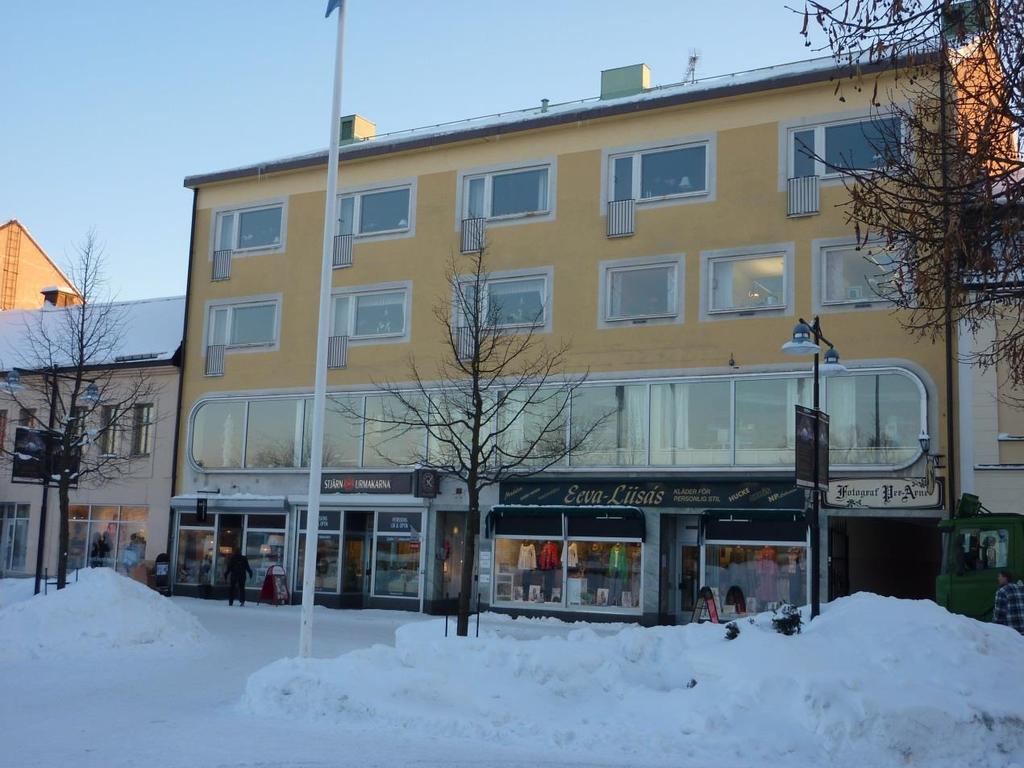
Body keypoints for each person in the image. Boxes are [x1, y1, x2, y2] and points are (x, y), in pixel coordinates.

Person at [993, 570, 1024, 634]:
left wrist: (994, 628)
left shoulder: (1002, 591)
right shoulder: (1021, 589)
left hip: (1011, 632)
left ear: (1005, 578)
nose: (998, 578)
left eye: (999, 576)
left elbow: (999, 614)